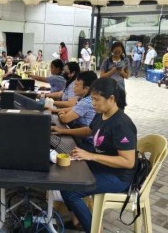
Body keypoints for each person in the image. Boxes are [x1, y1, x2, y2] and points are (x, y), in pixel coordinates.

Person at [60, 77, 137, 232]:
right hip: (103, 167)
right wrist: (63, 131)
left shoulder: (121, 124)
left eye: (96, 99)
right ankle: (78, 219)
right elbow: (89, 130)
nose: (93, 103)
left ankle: (92, 228)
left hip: (118, 176)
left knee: (70, 190)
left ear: (111, 99)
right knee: (67, 173)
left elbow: (128, 162)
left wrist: (91, 155)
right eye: (92, 99)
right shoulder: (101, 113)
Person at [51, 71, 98, 144]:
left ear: (86, 88)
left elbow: (65, 119)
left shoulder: (85, 102)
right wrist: (53, 110)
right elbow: (74, 108)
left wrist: (61, 113)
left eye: (76, 85)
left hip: (87, 141)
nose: (74, 88)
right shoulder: (88, 98)